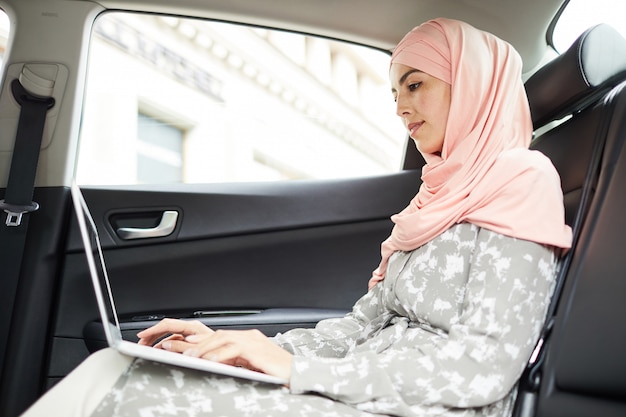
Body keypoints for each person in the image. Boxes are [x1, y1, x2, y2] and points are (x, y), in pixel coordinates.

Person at [22, 17, 572, 417]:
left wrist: (299, 372)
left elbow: (483, 366)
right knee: (131, 372)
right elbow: (362, 326)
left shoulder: (522, 180)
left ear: (471, 85)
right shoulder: (436, 194)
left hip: (428, 404)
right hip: (361, 384)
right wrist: (247, 348)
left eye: (415, 84)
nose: (401, 106)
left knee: (145, 402)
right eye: (395, 91)